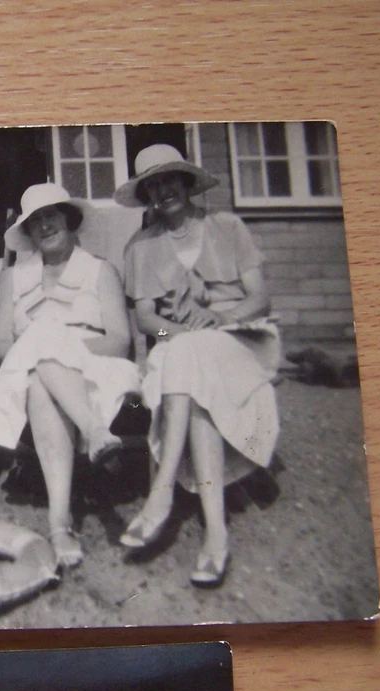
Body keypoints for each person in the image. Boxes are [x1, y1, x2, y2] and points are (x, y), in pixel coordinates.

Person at [116, 144, 281, 588]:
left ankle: (161, 493)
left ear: (186, 183)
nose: (162, 191)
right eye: (152, 185)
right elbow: (148, 320)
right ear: (146, 195)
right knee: (190, 362)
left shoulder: (227, 226)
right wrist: (179, 333)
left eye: (169, 180)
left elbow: (259, 298)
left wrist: (222, 318)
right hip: (179, 343)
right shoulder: (141, 246)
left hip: (241, 336)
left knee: (192, 357)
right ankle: (216, 533)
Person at [0, 183, 140, 569]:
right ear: (28, 232)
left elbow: (119, 341)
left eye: (51, 215)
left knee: (44, 360)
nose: (44, 226)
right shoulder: (12, 277)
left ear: (69, 219)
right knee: (39, 364)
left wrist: (60, 347)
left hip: (96, 368)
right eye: (35, 221)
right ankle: (95, 435)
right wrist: (42, 344)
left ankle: (58, 522)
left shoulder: (100, 270)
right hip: (26, 369)